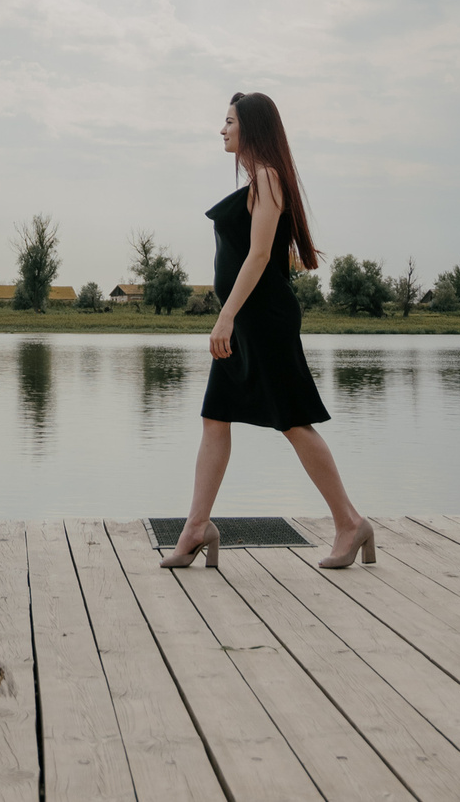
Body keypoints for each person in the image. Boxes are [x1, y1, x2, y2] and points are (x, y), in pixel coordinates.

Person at [160, 90, 373, 571]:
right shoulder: (260, 180)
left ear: (250, 127)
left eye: (229, 121)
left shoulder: (269, 179)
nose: (222, 129)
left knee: (293, 420)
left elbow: (258, 257)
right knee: (215, 417)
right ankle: (197, 527)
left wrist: (225, 316)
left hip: (262, 320)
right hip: (247, 319)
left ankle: (349, 523)